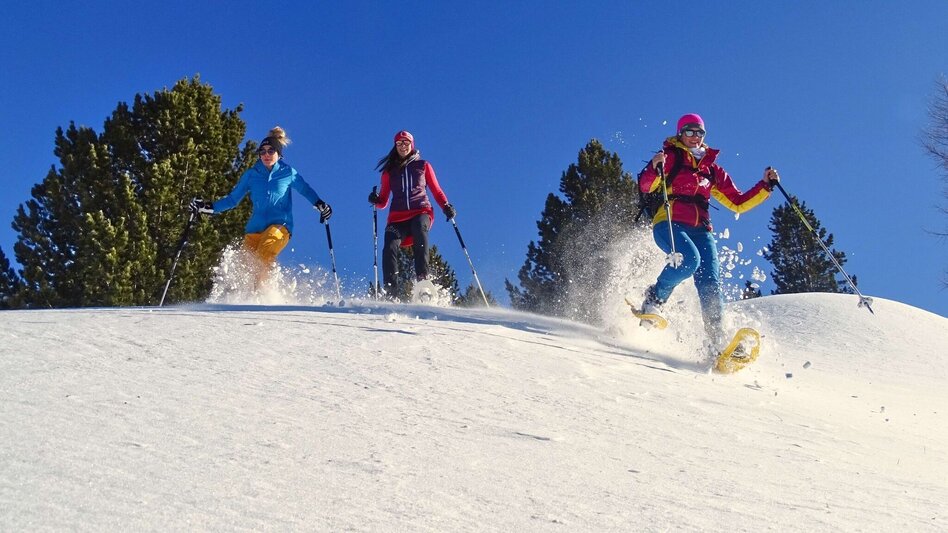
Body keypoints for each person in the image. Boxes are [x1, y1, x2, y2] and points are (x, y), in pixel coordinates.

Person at [638, 113, 780, 353]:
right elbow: (645, 186)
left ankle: (718, 341)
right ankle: (654, 299)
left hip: (702, 230)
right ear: (680, 133)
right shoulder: (670, 157)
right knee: (687, 262)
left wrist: (765, 185)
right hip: (669, 223)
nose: (695, 137)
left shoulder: (712, 170)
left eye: (699, 132)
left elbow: (737, 202)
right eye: (690, 131)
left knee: (710, 283)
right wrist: (654, 166)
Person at [190, 126, 332, 289]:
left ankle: (262, 294)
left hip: (281, 226)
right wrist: (208, 207)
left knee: (264, 252)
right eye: (262, 151)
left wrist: (320, 204)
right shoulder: (251, 174)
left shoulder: (288, 173)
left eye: (271, 151)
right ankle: (243, 299)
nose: (266, 155)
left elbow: (305, 189)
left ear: (279, 154)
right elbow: (232, 200)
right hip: (254, 230)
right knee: (245, 266)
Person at [368, 130, 455, 300]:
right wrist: (376, 199)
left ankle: (423, 281)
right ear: (395, 146)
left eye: (406, 143)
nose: (402, 146)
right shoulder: (388, 172)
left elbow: (436, 190)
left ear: (412, 145)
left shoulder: (423, 165)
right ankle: (391, 290)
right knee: (390, 244)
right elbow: (383, 201)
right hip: (397, 218)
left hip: (421, 211)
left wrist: (446, 206)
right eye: (399, 143)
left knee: (419, 228)